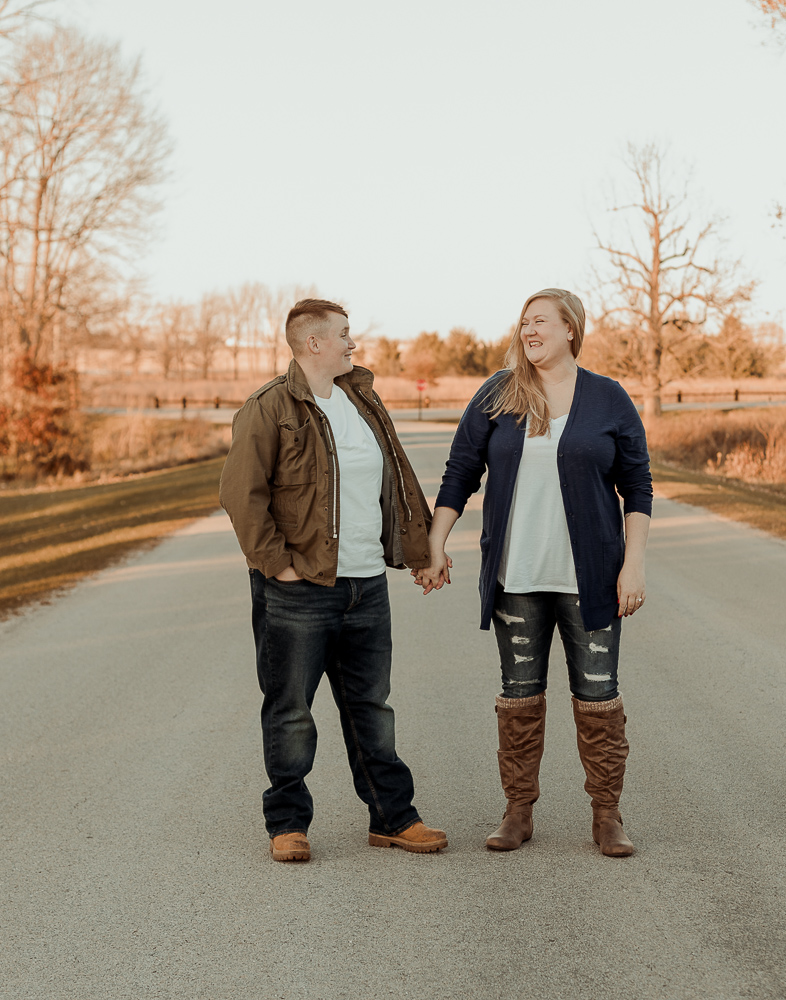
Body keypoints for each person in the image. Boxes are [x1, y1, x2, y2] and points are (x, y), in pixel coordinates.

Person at [416, 288, 651, 857]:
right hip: (516, 577)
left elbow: (637, 486)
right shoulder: (500, 394)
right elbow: (460, 472)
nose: (528, 331)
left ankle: (607, 815)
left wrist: (634, 564)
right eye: (524, 322)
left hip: (590, 578)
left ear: (571, 329)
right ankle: (518, 810)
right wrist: (435, 543)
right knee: (518, 697)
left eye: (540, 321)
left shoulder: (608, 398)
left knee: (599, 698)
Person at [220, 298, 448, 863]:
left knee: (372, 707)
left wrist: (418, 552)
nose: (354, 343)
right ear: (313, 343)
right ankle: (288, 824)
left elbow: (396, 479)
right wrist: (280, 566)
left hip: (366, 586)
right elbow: (240, 496)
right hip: (298, 590)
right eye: (345, 334)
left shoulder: (362, 401)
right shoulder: (269, 408)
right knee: (291, 709)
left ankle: (394, 818)